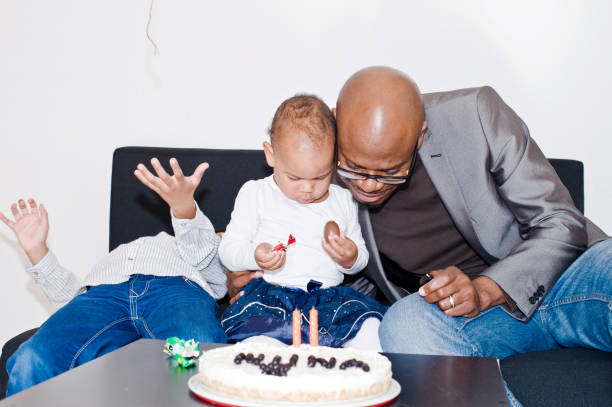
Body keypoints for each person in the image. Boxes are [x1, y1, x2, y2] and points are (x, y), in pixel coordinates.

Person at [228, 66, 611, 359]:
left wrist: (485, 289)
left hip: (567, 280)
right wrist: (262, 277)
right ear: (336, 121)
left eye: (390, 172)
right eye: (355, 168)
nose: (370, 185)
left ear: (421, 136)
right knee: (403, 326)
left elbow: (559, 222)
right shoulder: (321, 174)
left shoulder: (475, 115)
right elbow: (343, 272)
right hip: (467, 321)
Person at [1, 158, 227, 396]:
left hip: (177, 288)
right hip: (104, 292)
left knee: (197, 353)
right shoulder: (120, 257)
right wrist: (37, 251)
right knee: (32, 358)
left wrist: (184, 210)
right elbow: (72, 301)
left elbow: (205, 254)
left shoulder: (206, 257)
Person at [219, 94, 386, 350]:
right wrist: (255, 255)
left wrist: (350, 257)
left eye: (321, 177)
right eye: (295, 178)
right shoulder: (256, 193)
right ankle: (266, 381)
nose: (308, 189)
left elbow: (360, 260)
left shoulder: (343, 200)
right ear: (271, 155)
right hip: (272, 297)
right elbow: (228, 252)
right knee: (257, 345)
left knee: (372, 331)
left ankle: (352, 383)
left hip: (329, 300)